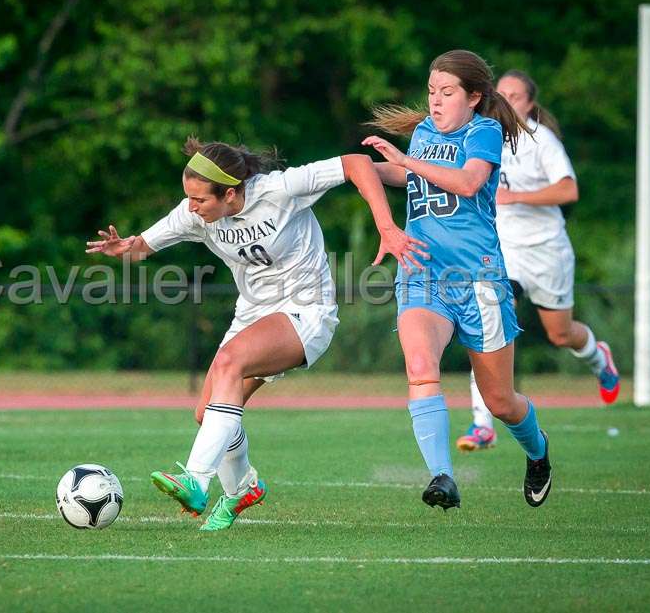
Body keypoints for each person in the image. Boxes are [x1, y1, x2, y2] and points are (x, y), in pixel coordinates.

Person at [86, 137, 424, 530]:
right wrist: (124, 247)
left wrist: (387, 227)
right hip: (253, 317)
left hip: (307, 312)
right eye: (189, 199)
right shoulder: (195, 214)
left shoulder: (280, 189)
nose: (191, 208)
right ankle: (243, 488)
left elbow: (356, 163)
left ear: (231, 193)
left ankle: (196, 479)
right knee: (207, 414)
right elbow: (142, 247)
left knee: (230, 362)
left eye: (200, 200)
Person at [362, 49, 553, 510]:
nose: (435, 101)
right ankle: (442, 476)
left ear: (474, 96)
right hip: (423, 274)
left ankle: (539, 452)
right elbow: (402, 177)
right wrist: (357, 168)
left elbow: (468, 183)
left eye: (447, 92)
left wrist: (406, 163)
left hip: (479, 282)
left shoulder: (483, 131)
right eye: (431, 91)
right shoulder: (424, 133)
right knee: (420, 366)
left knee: (501, 401)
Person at [456, 70, 621, 452]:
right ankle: (483, 424)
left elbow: (569, 188)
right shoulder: (482, 135)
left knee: (561, 334)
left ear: (530, 104)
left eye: (516, 95)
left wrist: (518, 198)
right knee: (487, 325)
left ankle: (600, 359)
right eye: (503, 94)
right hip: (503, 252)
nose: (508, 100)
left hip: (546, 251)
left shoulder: (540, 140)